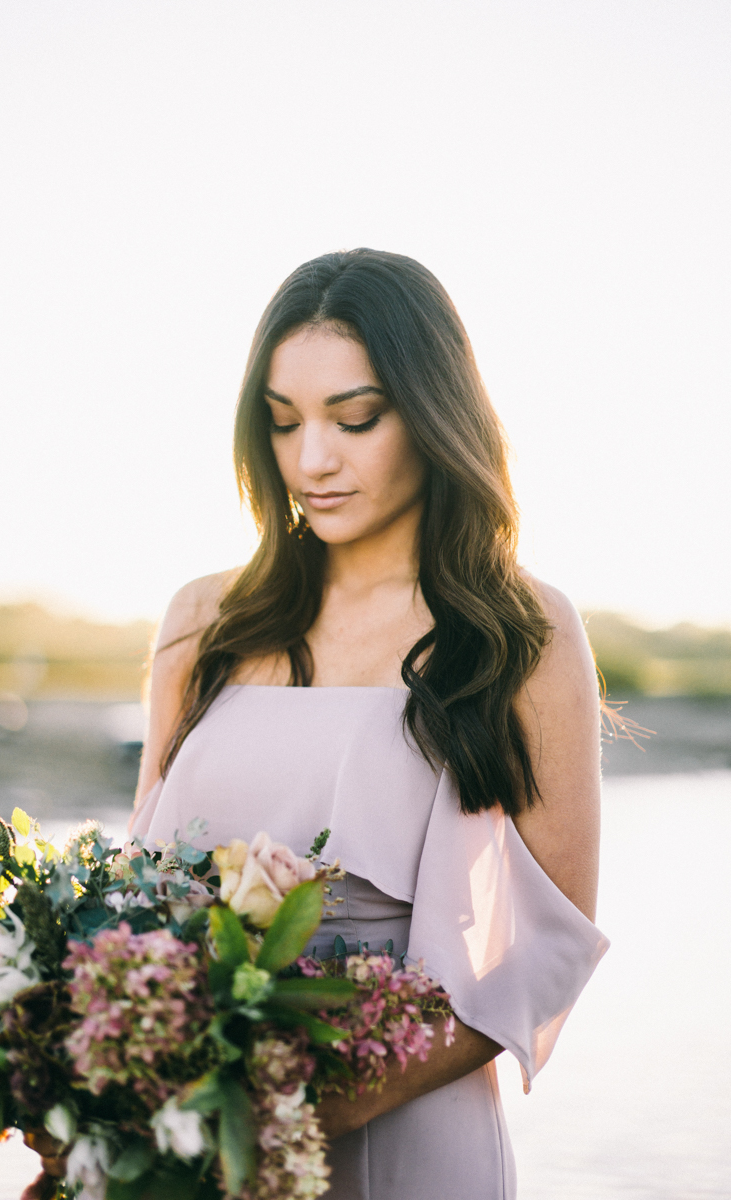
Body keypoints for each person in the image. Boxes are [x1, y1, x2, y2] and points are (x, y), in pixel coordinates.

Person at [96, 248, 609, 1200]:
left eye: (356, 418)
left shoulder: (520, 631)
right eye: (284, 422)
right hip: (189, 1126)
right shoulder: (205, 620)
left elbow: (549, 945)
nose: (312, 459)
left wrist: (321, 1107)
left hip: (402, 1126)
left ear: (434, 411)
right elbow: (131, 890)